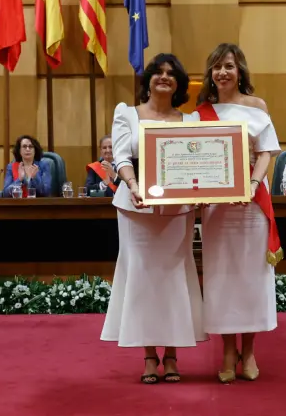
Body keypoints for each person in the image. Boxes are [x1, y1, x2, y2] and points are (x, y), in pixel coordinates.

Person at [100, 53, 207, 384]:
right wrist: (133, 186)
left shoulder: (190, 120)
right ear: (147, 80)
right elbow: (121, 156)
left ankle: (172, 355)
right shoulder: (127, 114)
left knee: (173, 280)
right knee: (142, 280)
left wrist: (204, 190)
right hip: (136, 209)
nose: (164, 77)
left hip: (177, 212)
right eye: (158, 72)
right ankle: (149, 356)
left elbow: (200, 164)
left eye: (171, 73)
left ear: (179, 84)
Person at [192, 43, 282, 383]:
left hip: (251, 204)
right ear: (210, 73)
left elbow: (266, 152)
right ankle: (228, 350)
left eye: (228, 65)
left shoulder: (256, 106)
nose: (223, 72)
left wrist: (252, 184)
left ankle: (250, 350)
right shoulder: (201, 113)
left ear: (239, 70)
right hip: (218, 209)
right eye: (217, 67)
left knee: (250, 277)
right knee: (223, 277)